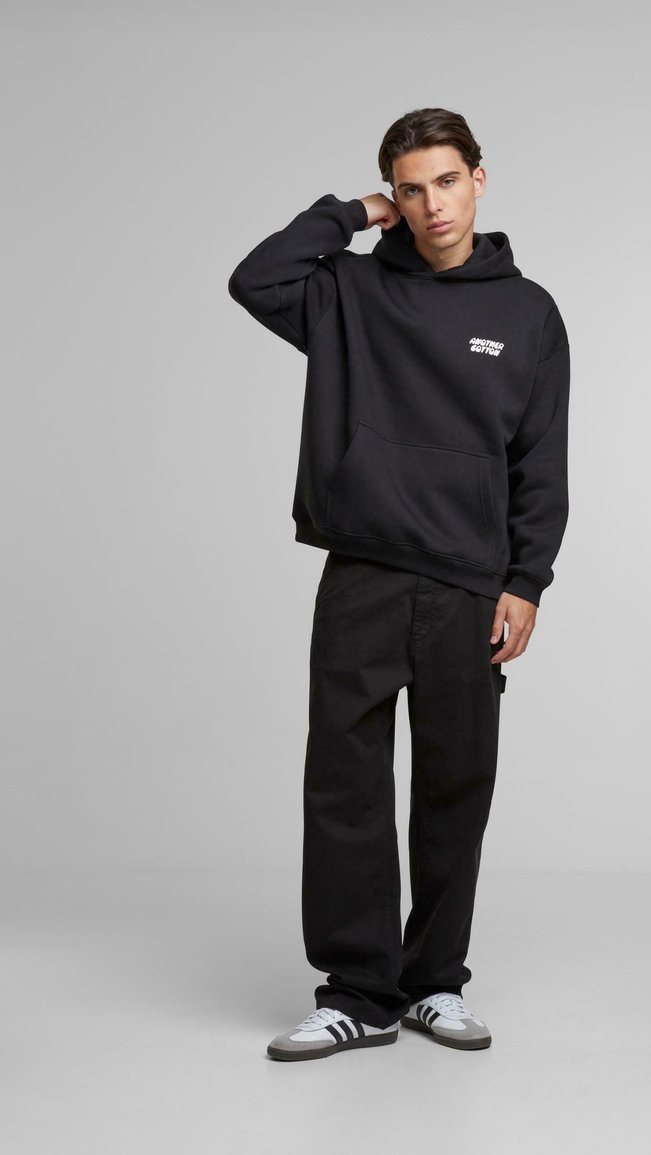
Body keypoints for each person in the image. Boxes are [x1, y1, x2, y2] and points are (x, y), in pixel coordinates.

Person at [228, 107, 570, 1062]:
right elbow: (254, 278)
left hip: (470, 585)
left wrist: (527, 580)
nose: (432, 205)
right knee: (346, 783)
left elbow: (542, 460)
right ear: (395, 196)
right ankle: (355, 992)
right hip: (365, 571)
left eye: (446, 182)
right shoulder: (350, 292)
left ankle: (434, 982)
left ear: (479, 180)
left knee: (456, 785)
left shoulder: (529, 313)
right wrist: (349, 213)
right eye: (411, 190)